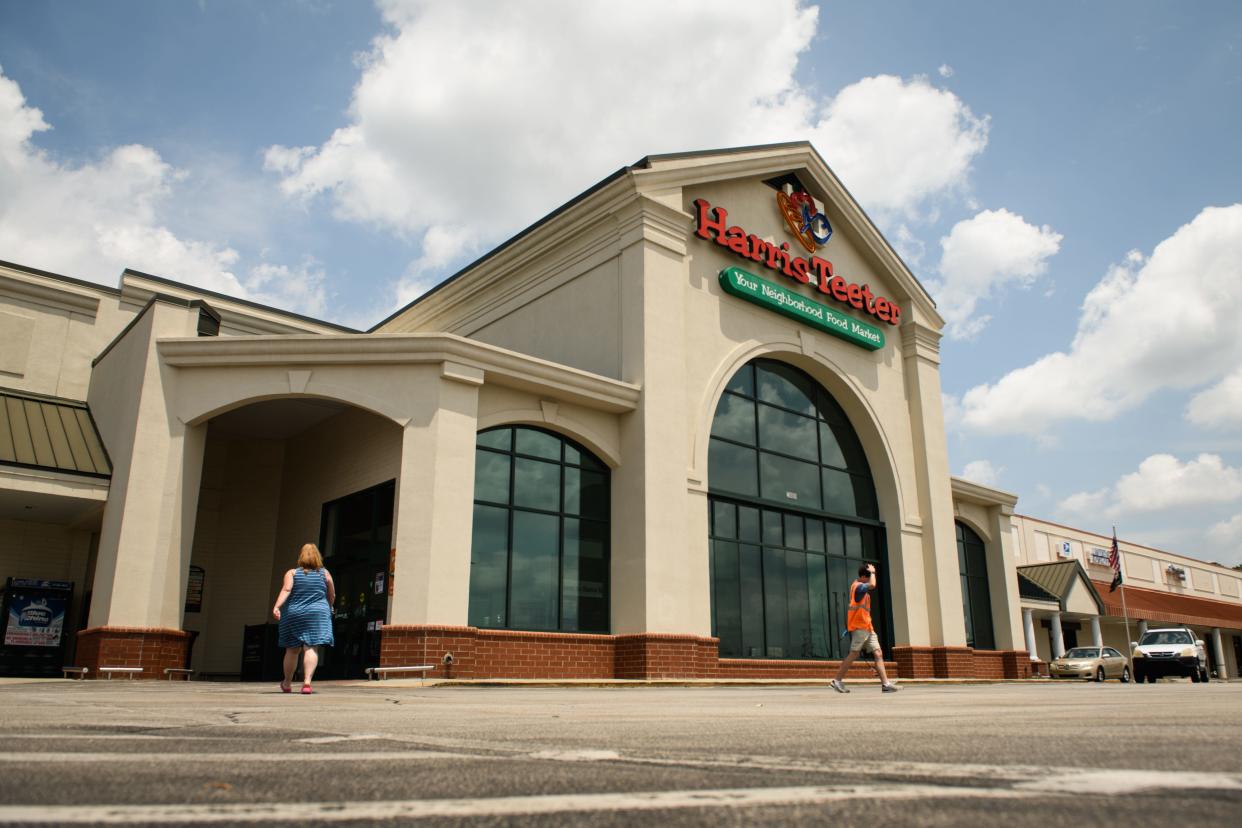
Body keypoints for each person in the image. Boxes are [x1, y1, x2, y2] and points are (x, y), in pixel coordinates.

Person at [272, 543, 335, 694]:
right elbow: (331, 594)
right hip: (317, 613)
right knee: (311, 647)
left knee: (292, 650)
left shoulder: (292, 573)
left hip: (295, 613)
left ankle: (287, 683)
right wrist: (329, 606)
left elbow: (286, 590)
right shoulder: (325, 573)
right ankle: (307, 683)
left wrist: (277, 606)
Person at [830, 563, 899, 694]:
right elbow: (873, 585)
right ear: (862, 577)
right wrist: (873, 572)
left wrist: (872, 573)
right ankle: (837, 681)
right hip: (859, 627)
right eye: (868, 577)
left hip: (868, 627)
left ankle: (885, 684)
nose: (869, 580)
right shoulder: (858, 587)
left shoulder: (863, 590)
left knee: (878, 653)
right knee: (854, 653)